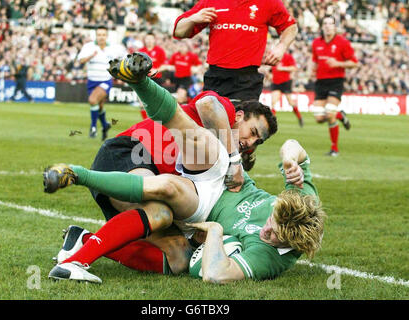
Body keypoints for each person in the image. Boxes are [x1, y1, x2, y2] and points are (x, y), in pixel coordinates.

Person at [44, 53, 325, 284]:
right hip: (130, 152)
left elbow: (216, 273)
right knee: (206, 147)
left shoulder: (270, 256)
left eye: (257, 140)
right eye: (252, 132)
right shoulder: (226, 116)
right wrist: (288, 161)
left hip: (189, 197)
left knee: (174, 246)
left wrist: (214, 231)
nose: (267, 232)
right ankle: (140, 81)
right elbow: (210, 105)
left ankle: (82, 237)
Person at [172, 0, 298, 102]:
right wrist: (192, 19)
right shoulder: (211, 2)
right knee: (212, 129)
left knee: (240, 127)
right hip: (215, 76)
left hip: (246, 78)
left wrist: (281, 46)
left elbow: (290, 26)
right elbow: (179, 31)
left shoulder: (269, 3)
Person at [311, 15, 359, 157]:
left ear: (335, 26)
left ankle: (334, 149)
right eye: (325, 23)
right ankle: (341, 115)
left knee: (329, 112)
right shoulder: (316, 43)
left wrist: (338, 63)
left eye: (330, 23)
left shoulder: (342, 42)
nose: (327, 26)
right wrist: (311, 70)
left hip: (336, 81)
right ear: (322, 27)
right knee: (319, 118)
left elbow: (354, 63)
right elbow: (315, 60)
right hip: (320, 82)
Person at [77, 25, 127, 140]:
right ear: (96, 36)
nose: (101, 37)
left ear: (107, 36)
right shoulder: (89, 47)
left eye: (103, 35)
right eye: (99, 35)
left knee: (92, 100)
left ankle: (93, 127)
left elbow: (125, 58)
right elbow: (80, 60)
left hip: (105, 80)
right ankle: (105, 125)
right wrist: (91, 56)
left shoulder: (114, 48)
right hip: (91, 81)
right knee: (99, 105)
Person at [138, 32, 167, 119]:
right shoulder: (140, 51)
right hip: (143, 80)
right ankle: (147, 124)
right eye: (147, 39)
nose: (149, 41)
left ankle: (157, 128)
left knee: (156, 106)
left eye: (151, 39)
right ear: (144, 40)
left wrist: (156, 70)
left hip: (156, 79)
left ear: (154, 40)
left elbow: (165, 65)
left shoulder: (160, 51)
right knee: (142, 104)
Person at [270, 51, 304, 127]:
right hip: (276, 82)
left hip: (285, 82)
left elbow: (294, 68)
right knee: (273, 102)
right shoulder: (274, 56)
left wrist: (282, 68)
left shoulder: (288, 57)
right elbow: (271, 69)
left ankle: (299, 117)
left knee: (290, 102)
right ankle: (271, 122)